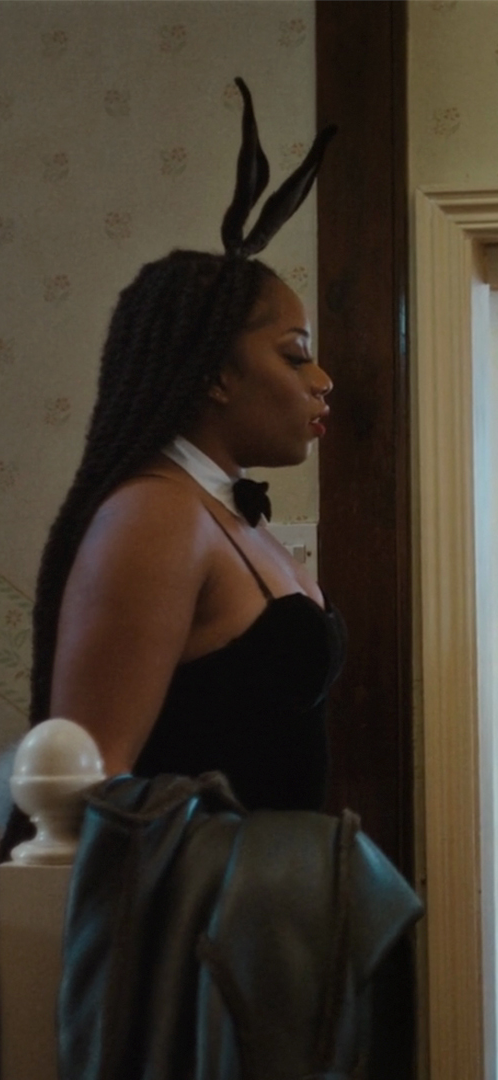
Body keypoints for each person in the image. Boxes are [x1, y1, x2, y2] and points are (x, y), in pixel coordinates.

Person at [2, 79, 340, 854]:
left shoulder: (214, 508)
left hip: (256, 907)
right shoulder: (155, 514)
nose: (322, 380)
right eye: (295, 356)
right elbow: (90, 796)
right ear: (216, 375)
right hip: (193, 919)